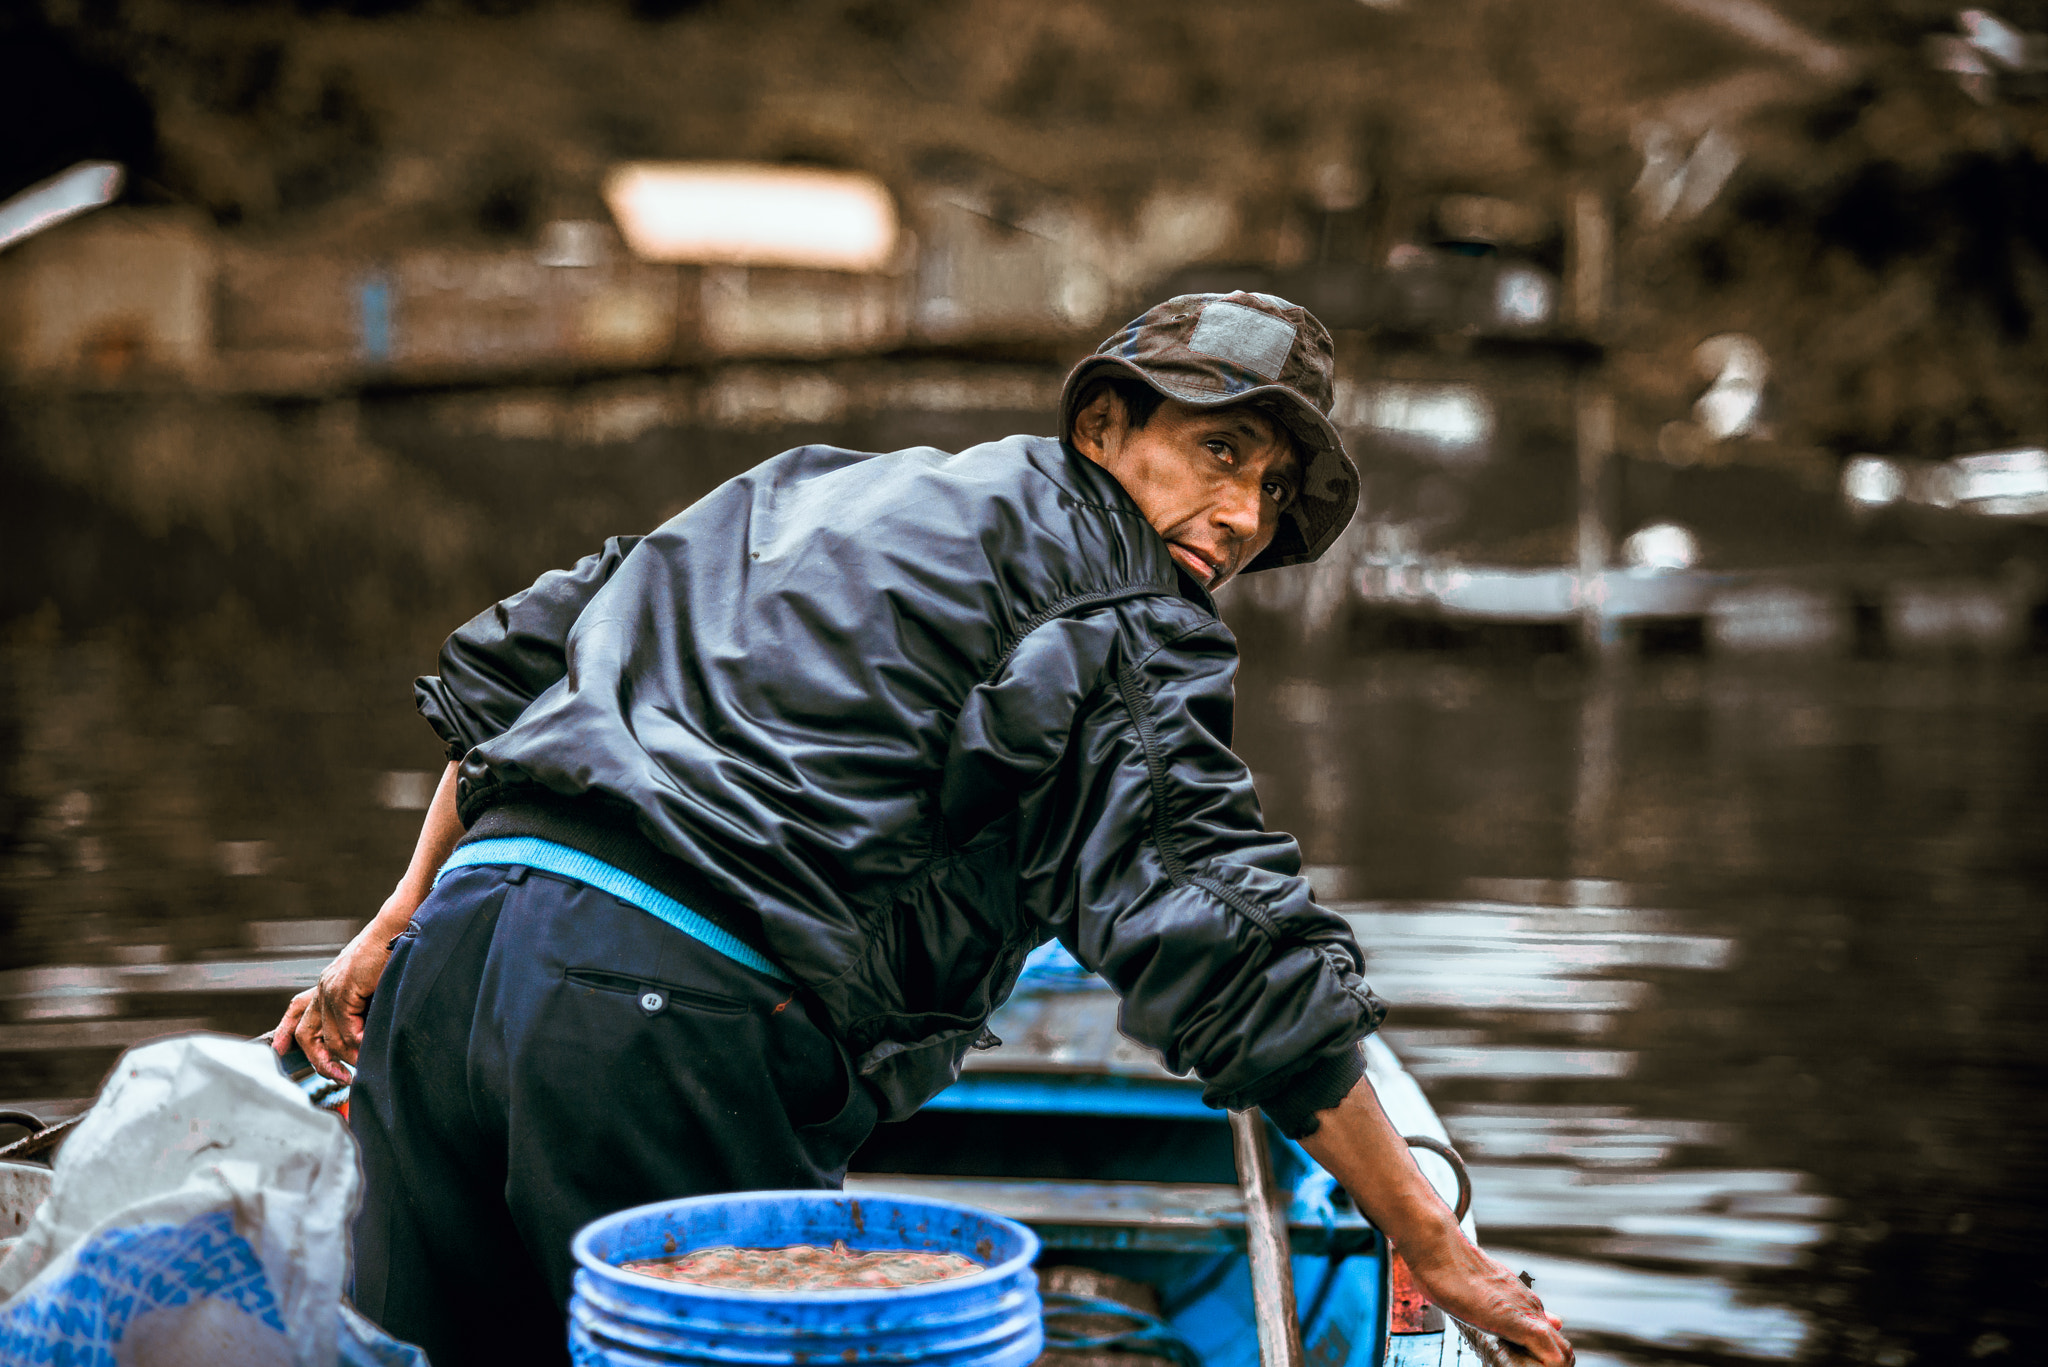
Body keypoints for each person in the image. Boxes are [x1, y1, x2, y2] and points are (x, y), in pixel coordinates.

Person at [274, 291, 1573, 1367]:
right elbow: (1222, 932)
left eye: (1277, 492)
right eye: (1222, 453)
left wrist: (397, 926)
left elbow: (515, 686)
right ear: (1106, 425)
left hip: (449, 988)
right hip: (660, 1020)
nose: (1244, 518)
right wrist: (1432, 1240)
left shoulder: (792, 494)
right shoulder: (1121, 601)